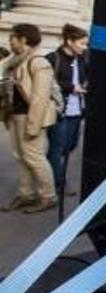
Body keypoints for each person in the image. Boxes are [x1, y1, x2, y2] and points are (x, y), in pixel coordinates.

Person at [1, 24, 58, 213]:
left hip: (30, 117)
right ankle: (26, 194)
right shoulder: (17, 60)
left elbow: (40, 98)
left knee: (35, 158)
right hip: (17, 115)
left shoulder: (39, 62)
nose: (10, 41)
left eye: (13, 38)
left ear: (23, 39)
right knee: (21, 157)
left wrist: (33, 125)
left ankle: (48, 196)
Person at [46, 24, 89, 196]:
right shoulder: (53, 58)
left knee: (70, 146)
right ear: (69, 41)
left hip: (77, 111)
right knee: (56, 149)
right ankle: (59, 185)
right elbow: (48, 83)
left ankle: (51, 176)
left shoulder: (83, 58)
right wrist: (72, 87)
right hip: (59, 111)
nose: (84, 47)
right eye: (81, 43)